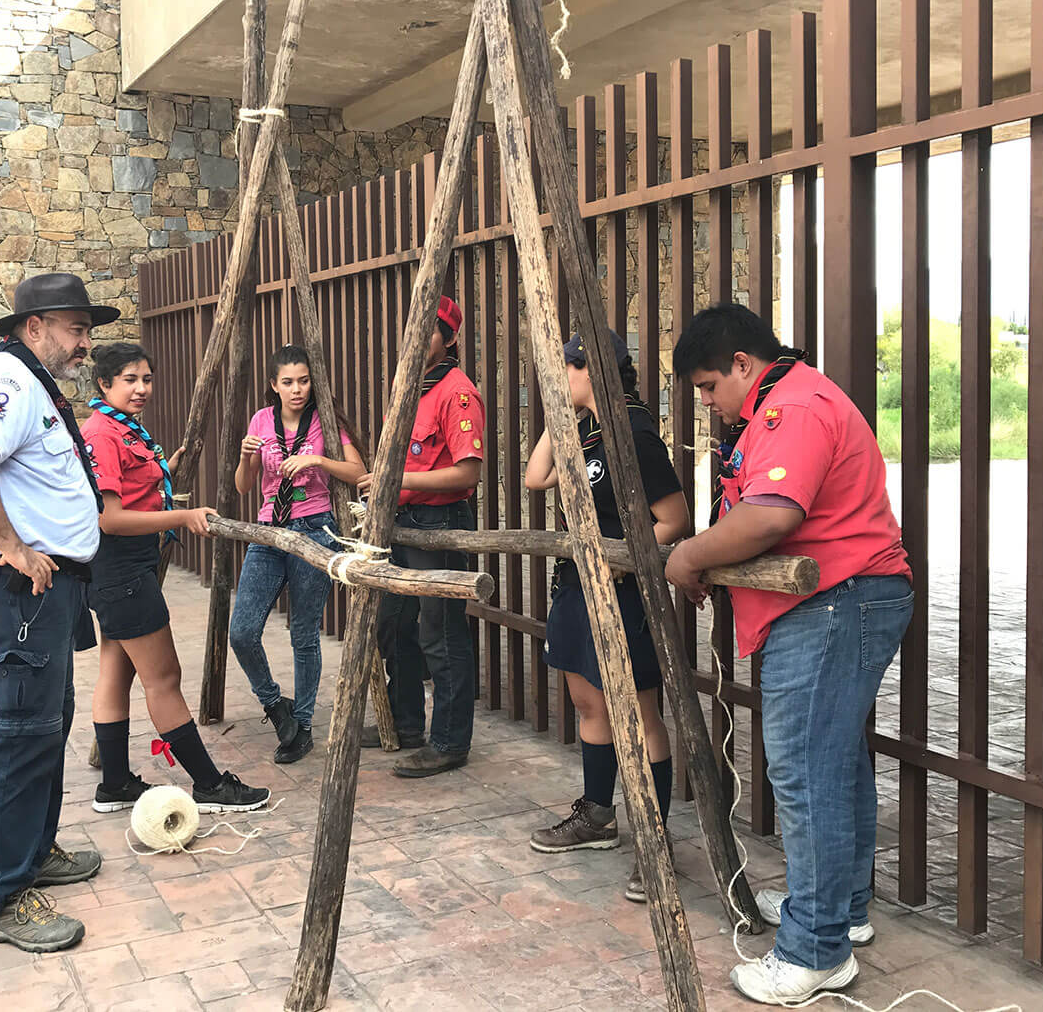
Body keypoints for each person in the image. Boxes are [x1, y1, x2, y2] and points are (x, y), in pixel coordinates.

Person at [665, 304, 912, 1006]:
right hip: (846, 598)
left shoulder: (794, 406)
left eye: (710, 386)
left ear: (743, 363)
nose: (708, 404)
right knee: (834, 762)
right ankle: (841, 908)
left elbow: (773, 514)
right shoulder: (792, 397)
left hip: (836, 601)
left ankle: (815, 949)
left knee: (807, 770)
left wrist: (688, 555)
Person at [0, 272, 116, 953]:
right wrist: (12, 546)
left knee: (45, 726)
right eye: (75, 329)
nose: (84, 344)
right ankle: (4, 896)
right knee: (14, 737)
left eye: (87, 331)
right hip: (19, 595)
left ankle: (34, 851)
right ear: (34, 326)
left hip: (47, 596)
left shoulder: (32, 385)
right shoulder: (8, 381)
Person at [523, 330, 689, 905]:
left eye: (564, 370)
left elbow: (674, 519)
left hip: (620, 591)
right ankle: (598, 814)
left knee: (640, 713)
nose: (557, 380)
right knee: (588, 700)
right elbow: (534, 477)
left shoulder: (636, 432)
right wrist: (560, 413)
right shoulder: (588, 430)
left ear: (591, 368)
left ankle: (656, 837)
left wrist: (619, 566)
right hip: (577, 584)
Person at [79, 341, 270, 815]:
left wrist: (164, 471)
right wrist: (181, 518)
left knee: (115, 671)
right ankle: (208, 785)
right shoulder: (101, 432)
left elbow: (132, 488)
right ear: (104, 384)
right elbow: (111, 518)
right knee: (164, 678)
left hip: (119, 569)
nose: (141, 388)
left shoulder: (121, 427)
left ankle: (116, 784)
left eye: (146, 378)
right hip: (120, 567)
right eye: (129, 380)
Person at [358, 295, 485, 778]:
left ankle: (450, 741)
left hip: (441, 524)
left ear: (448, 339)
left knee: (442, 633)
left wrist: (397, 479)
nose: (415, 337)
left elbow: (466, 474)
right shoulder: (409, 385)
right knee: (393, 624)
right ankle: (405, 722)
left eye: (427, 330)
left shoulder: (458, 393)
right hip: (403, 524)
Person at [229, 344, 366, 763]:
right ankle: (276, 706)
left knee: (303, 634)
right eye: (288, 382)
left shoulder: (324, 420)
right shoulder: (260, 421)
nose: (297, 389)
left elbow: (358, 472)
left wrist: (319, 459)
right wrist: (246, 457)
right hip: (270, 530)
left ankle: (302, 725)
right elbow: (243, 486)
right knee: (242, 631)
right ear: (274, 385)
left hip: (315, 530)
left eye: (303, 381)